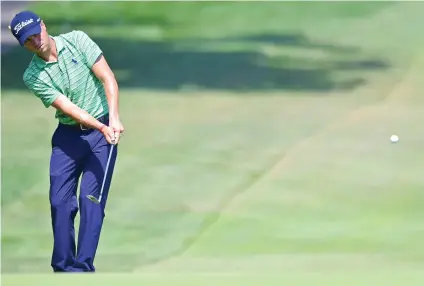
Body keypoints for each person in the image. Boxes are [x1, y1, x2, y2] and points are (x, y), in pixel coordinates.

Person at [9, 10, 124, 272]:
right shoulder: (33, 76)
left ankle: (83, 267)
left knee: (90, 199)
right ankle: (63, 267)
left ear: (43, 25)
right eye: (28, 40)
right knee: (60, 202)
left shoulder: (78, 40)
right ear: (23, 45)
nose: (35, 41)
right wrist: (101, 126)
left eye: (36, 34)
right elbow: (68, 107)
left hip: (102, 132)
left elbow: (107, 78)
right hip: (68, 136)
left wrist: (113, 118)